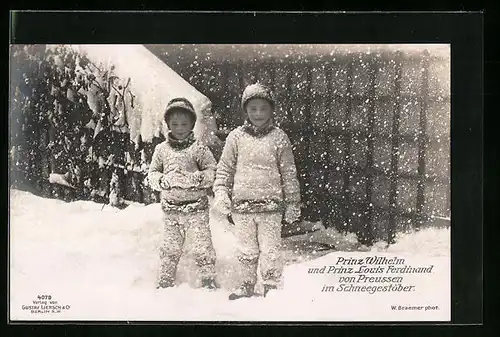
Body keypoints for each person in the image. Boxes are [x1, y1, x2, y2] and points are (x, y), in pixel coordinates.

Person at [213, 83, 301, 300]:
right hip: (242, 208)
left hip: (271, 208)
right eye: (253, 108)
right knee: (246, 249)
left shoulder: (279, 137)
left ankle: (271, 285)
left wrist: (293, 203)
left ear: (271, 110)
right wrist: (221, 192)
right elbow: (224, 169)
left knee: (271, 249)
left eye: (263, 108)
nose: (258, 113)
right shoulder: (235, 137)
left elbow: (289, 173)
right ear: (245, 110)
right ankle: (246, 284)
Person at [148, 97, 218, 290]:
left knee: (202, 244)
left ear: (192, 124)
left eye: (184, 124)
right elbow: (152, 174)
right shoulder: (161, 150)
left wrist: (198, 178)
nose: (179, 128)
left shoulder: (199, 149)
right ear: (168, 124)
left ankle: (208, 278)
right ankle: (166, 277)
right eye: (175, 123)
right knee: (170, 247)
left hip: (197, 209)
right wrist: (162, 181)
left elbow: (212, 170)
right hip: (172, 211)